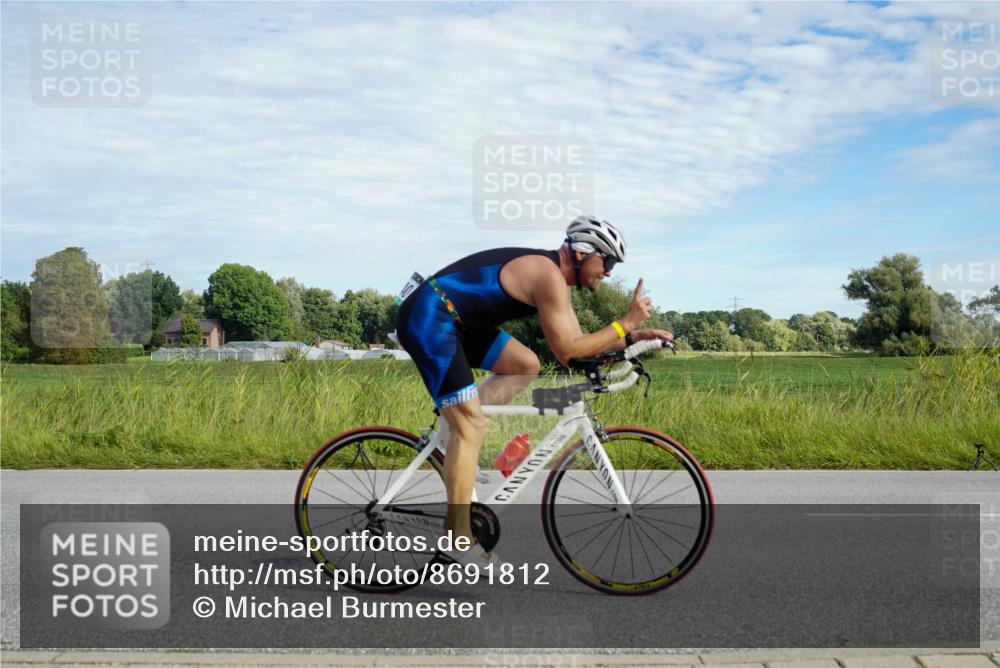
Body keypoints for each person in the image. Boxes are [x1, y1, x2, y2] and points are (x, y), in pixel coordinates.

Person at [394, 215, 673, 562]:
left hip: (459, 322)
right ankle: (458, 542)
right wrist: (623, 322)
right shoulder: (547, 276)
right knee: (472, 426)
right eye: (609, 261)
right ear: (584, 253)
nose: (610, 272)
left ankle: (454, 436)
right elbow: (569, 350)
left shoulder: (555, 280)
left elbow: (581, 346)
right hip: (431, 318)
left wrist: (633, 338)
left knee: (525, 365)